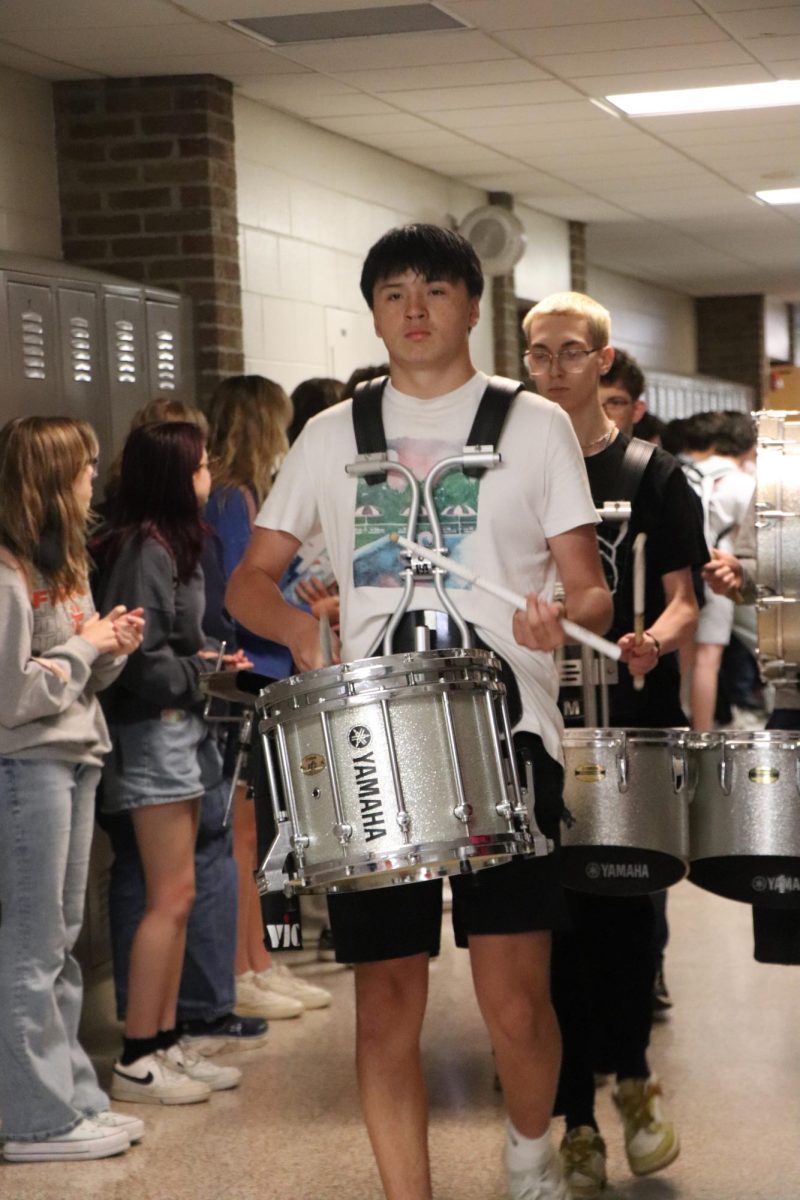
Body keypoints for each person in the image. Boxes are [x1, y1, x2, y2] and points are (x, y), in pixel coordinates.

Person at [227, 223, 612, 1200]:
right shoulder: (331, 437)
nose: (412, 308)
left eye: (433, 290)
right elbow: (250, 583)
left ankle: (530, 1159)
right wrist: (300, 634)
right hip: (372, 741)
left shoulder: (533, 426)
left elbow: (589, 590)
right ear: (373, 312)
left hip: (504, 731)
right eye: (392, 292)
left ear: (472, 306)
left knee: (513, 1003)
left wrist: (555, 615)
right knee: (385, 998)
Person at [522, 294, 707, 1198]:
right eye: (535, 353)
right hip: (538, 726)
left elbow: (683, 595)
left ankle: (633, 1079)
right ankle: (576, 1121)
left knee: (624, 913)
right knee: (548, 928)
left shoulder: (654, 474)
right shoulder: (510, 470)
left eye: (568, 352)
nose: (551, 368)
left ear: (603, 363)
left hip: (629, 723)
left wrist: (657, 639)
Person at [99, 397, 270, 1058]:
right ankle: (144, 1051)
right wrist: (200, 673)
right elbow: (139, 657)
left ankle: (167, 1040)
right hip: (155, 733)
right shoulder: (145, 548)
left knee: (181, 892)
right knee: (166, 898)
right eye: (200, 468)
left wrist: (207, 661)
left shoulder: (175, 542)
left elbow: (171, 639)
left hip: (181, 727)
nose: (209, 478)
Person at [0, 416, 145, 1162]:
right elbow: (10, 694)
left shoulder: (63, 561)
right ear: (53, 478)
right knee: (31, 947)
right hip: (25, 766)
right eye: (85, 467)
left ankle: (71, 1099)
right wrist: (85, 646)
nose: (96, 478)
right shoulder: (5, 571)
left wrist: (107, 646)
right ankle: (31, 1117)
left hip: (73, 754)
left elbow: (75, 674)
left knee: (59, 945)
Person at [206, 376, 331, 1018]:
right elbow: (240, 592)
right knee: (243, 832)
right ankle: (243, 966)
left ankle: (258, 958)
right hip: (246, 674)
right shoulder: (232, 499)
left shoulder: (250, 494)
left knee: (257, 831)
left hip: (270, 668)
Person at [680, 411, 755, 729]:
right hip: (719, 571)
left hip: (680, 569)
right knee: (708, 659)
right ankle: (703, 735)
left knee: (683, 656)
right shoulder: (742, 482)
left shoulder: (682, 469)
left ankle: (680, 727)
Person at [598, 348, 647, 438]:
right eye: (590, 403)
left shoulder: (646, 452)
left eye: (615, 403)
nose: (601, 414)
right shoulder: (566, 450)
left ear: (637, 411)